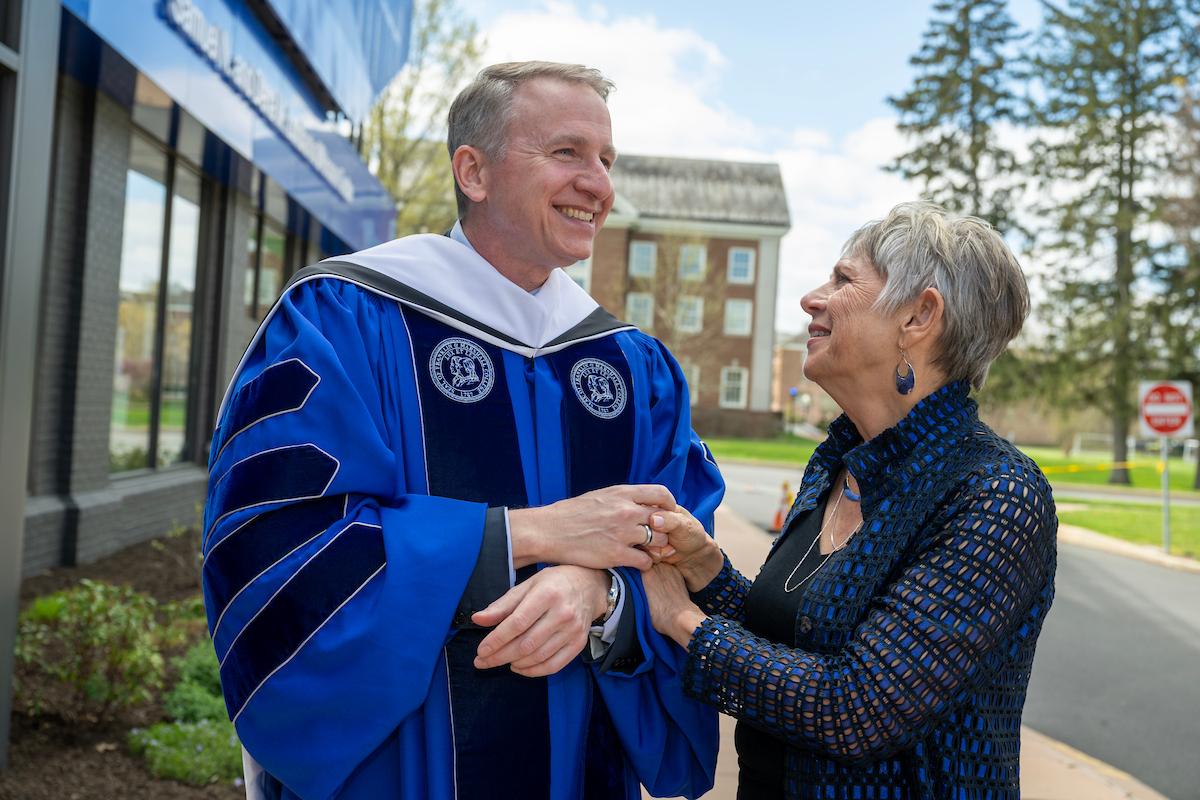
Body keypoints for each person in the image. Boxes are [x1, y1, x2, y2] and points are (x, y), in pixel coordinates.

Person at [201, 61, 723, 800]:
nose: (598, 184)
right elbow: (277, 546)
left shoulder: (634, 366)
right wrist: (525, 536)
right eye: (567, 152)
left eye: (607, 160)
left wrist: (604, 592)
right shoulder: (344, 319)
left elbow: (686, 550)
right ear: (473, 172)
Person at [641, 201, 1057, 799]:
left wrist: (680, 619)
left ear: (918, 316)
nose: (812, 299)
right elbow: (791, 645)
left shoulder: (996, 493)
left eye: (843, 280)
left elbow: (856, 710)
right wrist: (705, 571)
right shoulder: (839, 462)